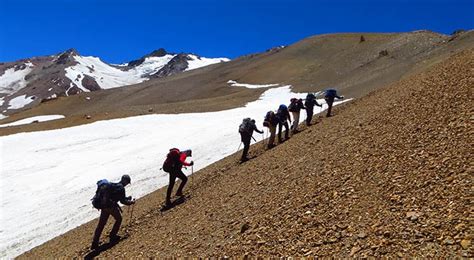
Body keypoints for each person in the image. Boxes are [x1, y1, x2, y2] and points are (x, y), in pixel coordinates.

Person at [91, 174, 135, 250]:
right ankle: (112, 236)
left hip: (104, 206)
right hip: (110, 206)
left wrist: (127, 198)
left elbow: (118, 197)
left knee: (101, 224)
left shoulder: (114, 185)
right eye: (127, 182)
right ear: (125, 181)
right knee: (119, 219)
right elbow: (123, 201)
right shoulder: (121, 188)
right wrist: (131, 202)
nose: (127, 184)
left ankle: (94, 243)